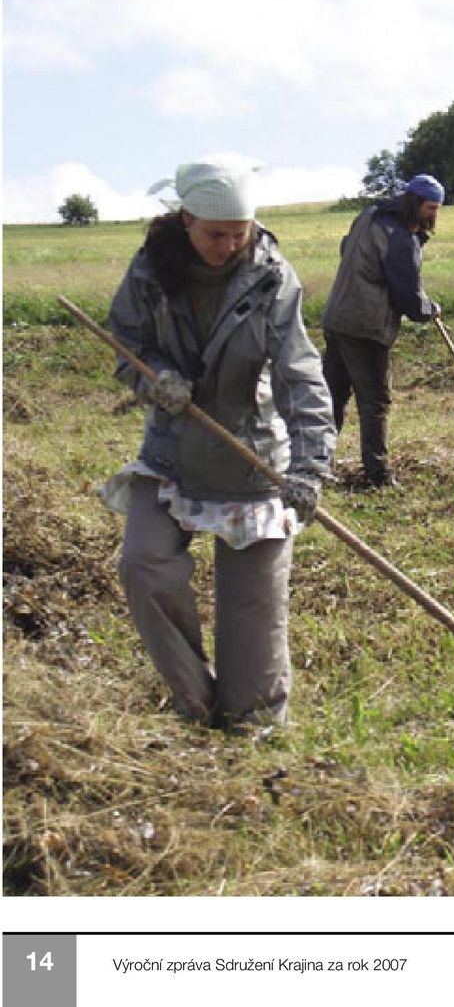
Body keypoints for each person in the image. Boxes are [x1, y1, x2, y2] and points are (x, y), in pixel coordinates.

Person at [102, 160, 337, 729]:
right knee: (144, 565)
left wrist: (310, 467)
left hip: (251, 459)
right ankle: (193, 701)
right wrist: (155, 377)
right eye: (215, 234)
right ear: (187, 221)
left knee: (252, 632)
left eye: (241, 233)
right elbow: (126, 342)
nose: (229, 246)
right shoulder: (150, 271)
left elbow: (298, 372)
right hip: (172, 455)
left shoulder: (270, 277)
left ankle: (245, 719)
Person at [321, 174, 444, 488]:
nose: (435, 215)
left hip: (337, 316)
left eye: (438, 208)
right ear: (415, 203)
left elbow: (346, 248)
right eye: (431, 207)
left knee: (333, 396)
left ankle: (317, 465)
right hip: (365, 326)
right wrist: (429, 308)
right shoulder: (400, 237)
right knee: (374, 400)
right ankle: (377, 474)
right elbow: (409, 299)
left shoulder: (368, 215)